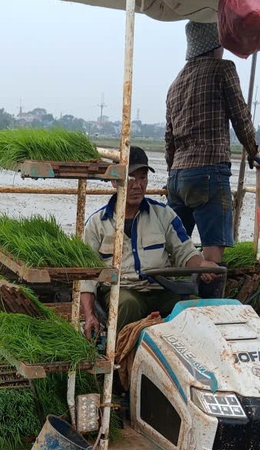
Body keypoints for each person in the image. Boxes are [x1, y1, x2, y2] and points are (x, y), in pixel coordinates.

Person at [80, 145, 220, 341]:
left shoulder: (164, 215)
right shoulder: (97, 224)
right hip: (122, 292)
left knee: (193, 308)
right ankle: (120, 363)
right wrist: (89, 316)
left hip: (160, 289)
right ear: (114, 180)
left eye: (142, 178)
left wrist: (202, 265)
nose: (137, 185)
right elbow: (86, 279)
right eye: (131, 178)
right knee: (128, 304)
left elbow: (185, 251)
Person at [165, 21, 260, 265]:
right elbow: (240, 116)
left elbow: (169, 138)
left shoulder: (175, 84)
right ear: (216, 45)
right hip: (209, 171)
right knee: (212, 253)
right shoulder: (222, 69)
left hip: (178, 177)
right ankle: (208, 301)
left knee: (175, 248)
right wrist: (253, 151)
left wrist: (173, 172)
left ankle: (176, 298)